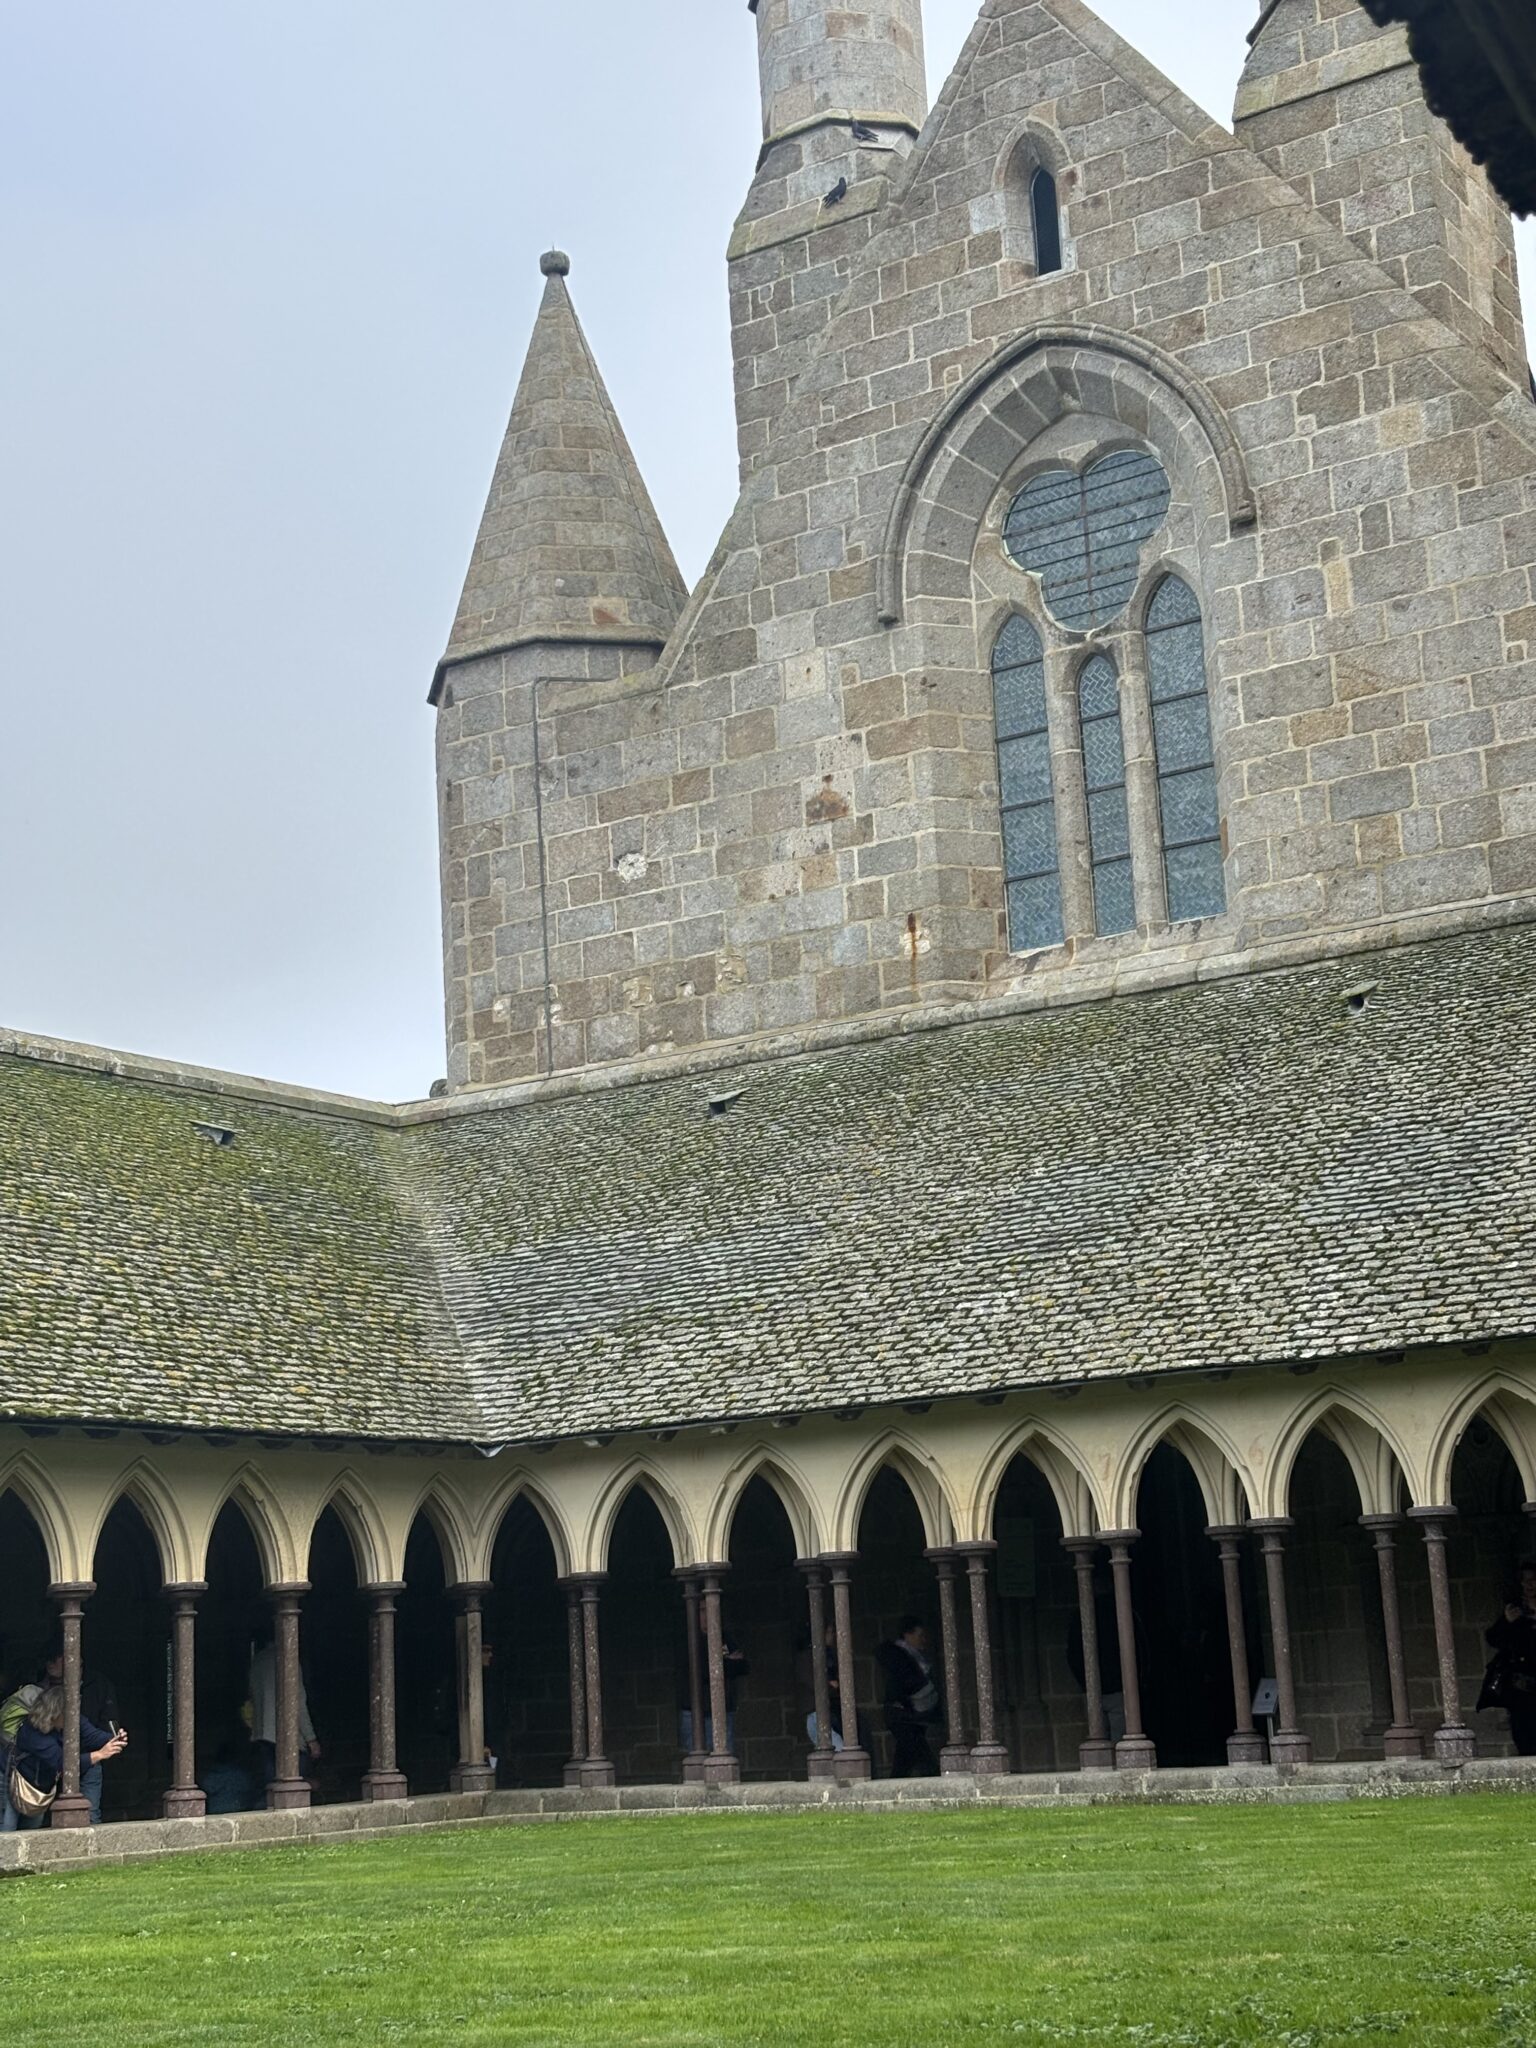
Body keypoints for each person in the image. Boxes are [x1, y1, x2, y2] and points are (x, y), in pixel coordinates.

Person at [8, 1684, 127, 1828]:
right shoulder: (33, 1732)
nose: (74, 1716)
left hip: (40, 1786)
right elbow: (63, 1763)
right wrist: (99, 1754)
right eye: (69, 1713)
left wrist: (113, 1739)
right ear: (55, 1712)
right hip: (15, 1780)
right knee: (7, 1827)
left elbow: (92, 1735)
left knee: (32, 1827)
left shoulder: (71, 1717)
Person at [248, 1625, 320, 1793]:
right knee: (294, 1786)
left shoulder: (257, 1662)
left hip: (262, 1733)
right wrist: (311, 1738)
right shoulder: (288, 1659)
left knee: (271, 1788)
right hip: (288, 1734)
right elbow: (298, 1702)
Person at [677, 1604, 749, 1755]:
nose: (706, 1615)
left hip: (722, 1712)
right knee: (697, 1761)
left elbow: (742, 1667)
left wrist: (722, 1664)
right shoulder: (689, 1640)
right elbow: (700, 1670)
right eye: (702, 1610)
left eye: (709, 1609)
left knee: (724, 1758)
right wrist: (726, 1662)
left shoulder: (723, 1639)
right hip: (693, 1714)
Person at [877, 1615, 942, 1777]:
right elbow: (905, 1684)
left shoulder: (912, 1657)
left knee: (904, 1761)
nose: (923, 1640)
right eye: (920, 1635)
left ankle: (894, 1787)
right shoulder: (899, 1657)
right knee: (924, 1759)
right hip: (902, 1715)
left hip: (910, 1715)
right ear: (908, 1635)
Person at [1484, 1557, 1536, 1756]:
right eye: (1525, 1580)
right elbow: (1494, 1639)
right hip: (1523, 1683)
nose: (1530, 1585)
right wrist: (1507, 1622)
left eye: (1533, 1580)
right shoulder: (1515, 1609)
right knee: (1524, 1730)